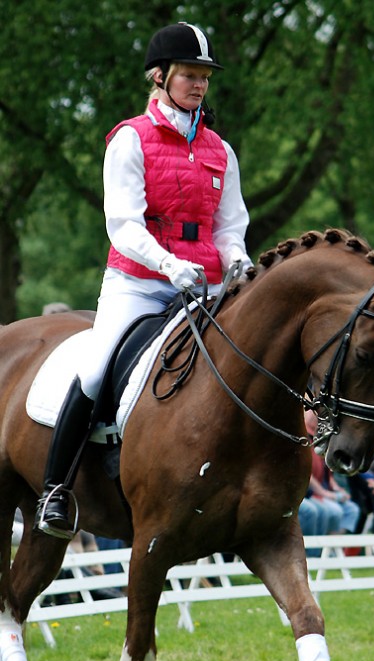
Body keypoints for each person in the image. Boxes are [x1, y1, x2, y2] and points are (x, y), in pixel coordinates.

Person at [35, 22, 253, 539]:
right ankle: (56, 489)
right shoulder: (130, 138)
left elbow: (230, 222)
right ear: (160, 77)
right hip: (138, 281)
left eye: (204, 77)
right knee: (94, 369)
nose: (199, 85)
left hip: (204, 283)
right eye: (189, 75)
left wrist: (237, 258)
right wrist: (167, 264)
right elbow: (124, 224)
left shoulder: (221, 149)